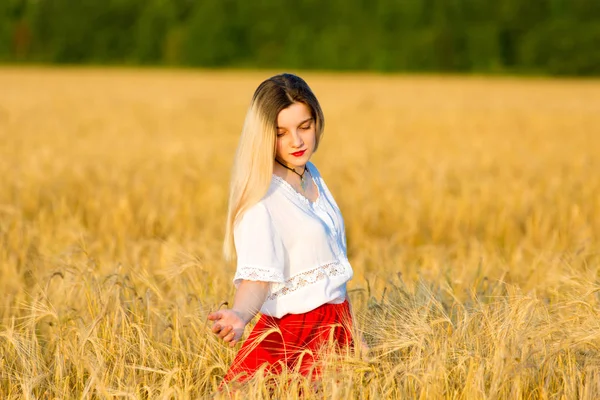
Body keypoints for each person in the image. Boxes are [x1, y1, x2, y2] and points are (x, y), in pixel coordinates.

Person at [207, 73, 355, 386]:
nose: (297, 141)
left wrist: (355, 338)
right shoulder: (262, 198)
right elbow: (258, 279)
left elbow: (331, 268)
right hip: (293, 339)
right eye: (281, 133)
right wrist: (239, 315)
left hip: (336, 332)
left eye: (305, 126)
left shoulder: (311, 174)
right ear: (263, 136)